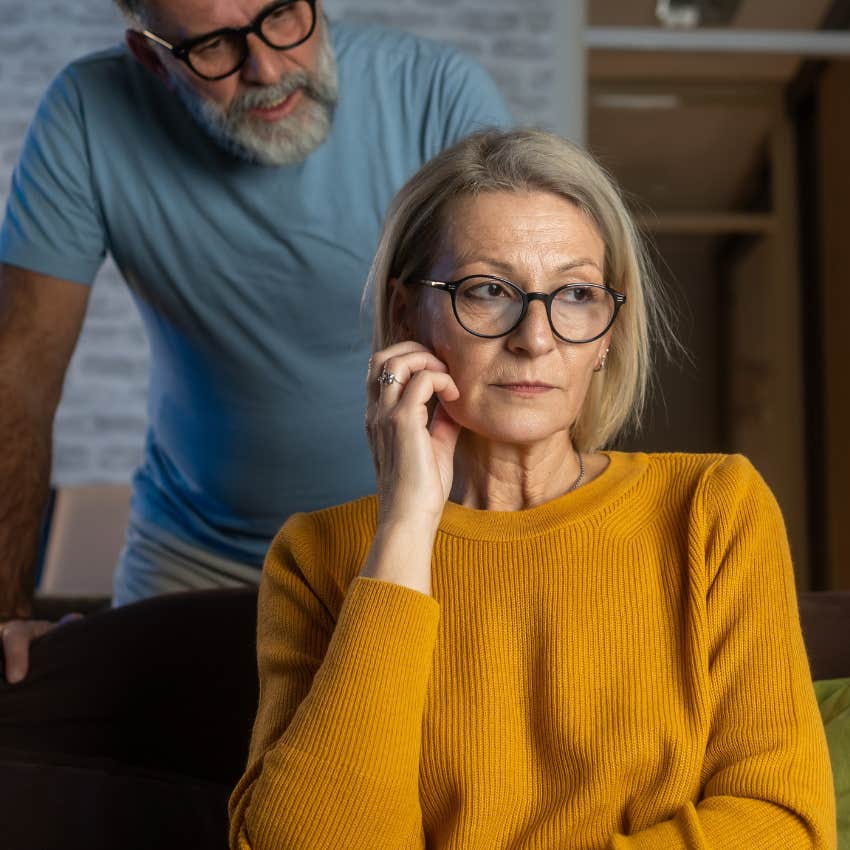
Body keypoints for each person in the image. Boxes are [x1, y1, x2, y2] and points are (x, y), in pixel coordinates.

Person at [228, 129, 836, 849]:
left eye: (576, 294)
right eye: (489, 290)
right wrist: (405, 527)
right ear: (405, 315)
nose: (536, 338)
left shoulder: (713, 508)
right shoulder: (316, 554)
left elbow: (783, 825)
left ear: (609, 331)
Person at [0, 0, 512, 679]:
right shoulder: (86, 112)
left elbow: (516, 350)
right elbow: (19, 380)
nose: (268, 67)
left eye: (279, 14)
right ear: (152, 57)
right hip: (193, 552)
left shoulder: (439, 92)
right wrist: (6, 614)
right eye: (213, 47)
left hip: (422, 535)